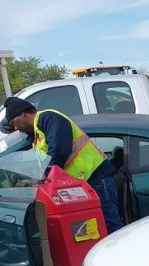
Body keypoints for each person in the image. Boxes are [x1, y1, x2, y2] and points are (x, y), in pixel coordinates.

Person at [3, 97, 123, 233]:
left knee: (111, 224)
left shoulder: (49, 118)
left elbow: (59, 151)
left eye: (14, 123)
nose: (16, 128)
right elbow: (46, 162)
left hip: (95, 176)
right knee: (97, 227)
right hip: (83, 184)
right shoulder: (38, 134)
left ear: (22, 114)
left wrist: (41, 179)